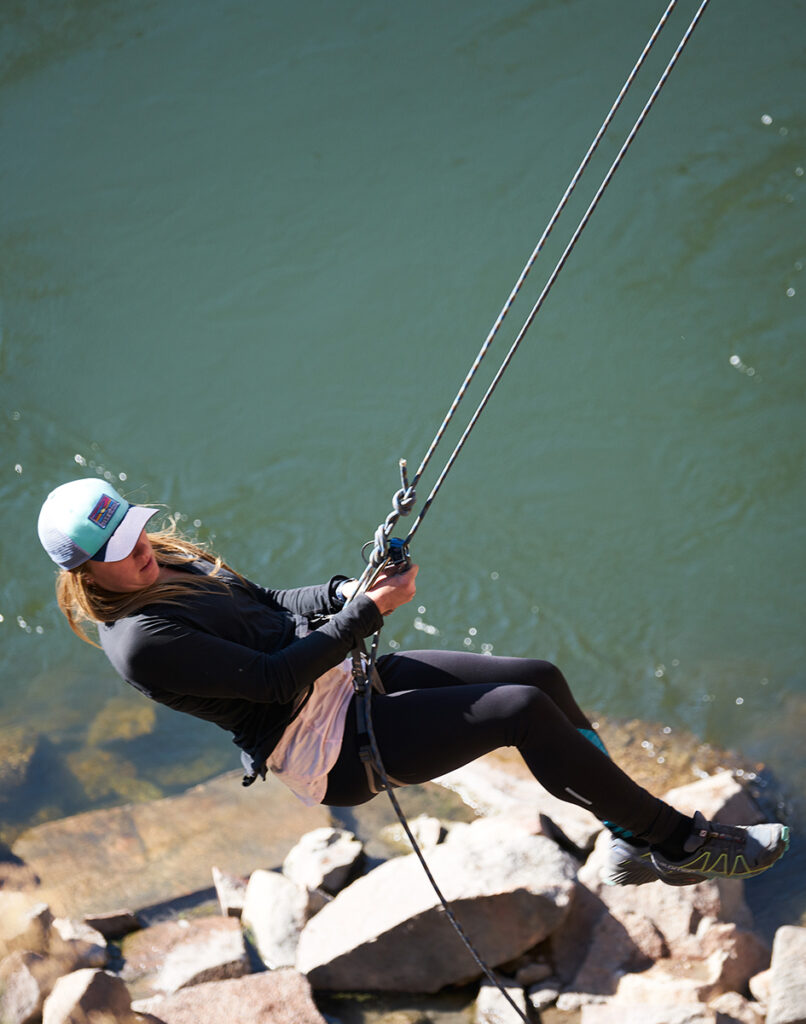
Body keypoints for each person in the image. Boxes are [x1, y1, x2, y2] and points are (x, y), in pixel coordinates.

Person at [38, 477, 789, 887]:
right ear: (86, 571)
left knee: (540, 677)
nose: (141, 548)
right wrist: (363, 616)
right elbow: (270, 682)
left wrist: (342, 591)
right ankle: (681, 842)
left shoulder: (164, 560)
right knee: (521, 710)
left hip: (344, 683)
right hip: (328, 744)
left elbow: (269, 608)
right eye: (122, 547)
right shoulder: (140, 641)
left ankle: (629, 834)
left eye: (137, 530)